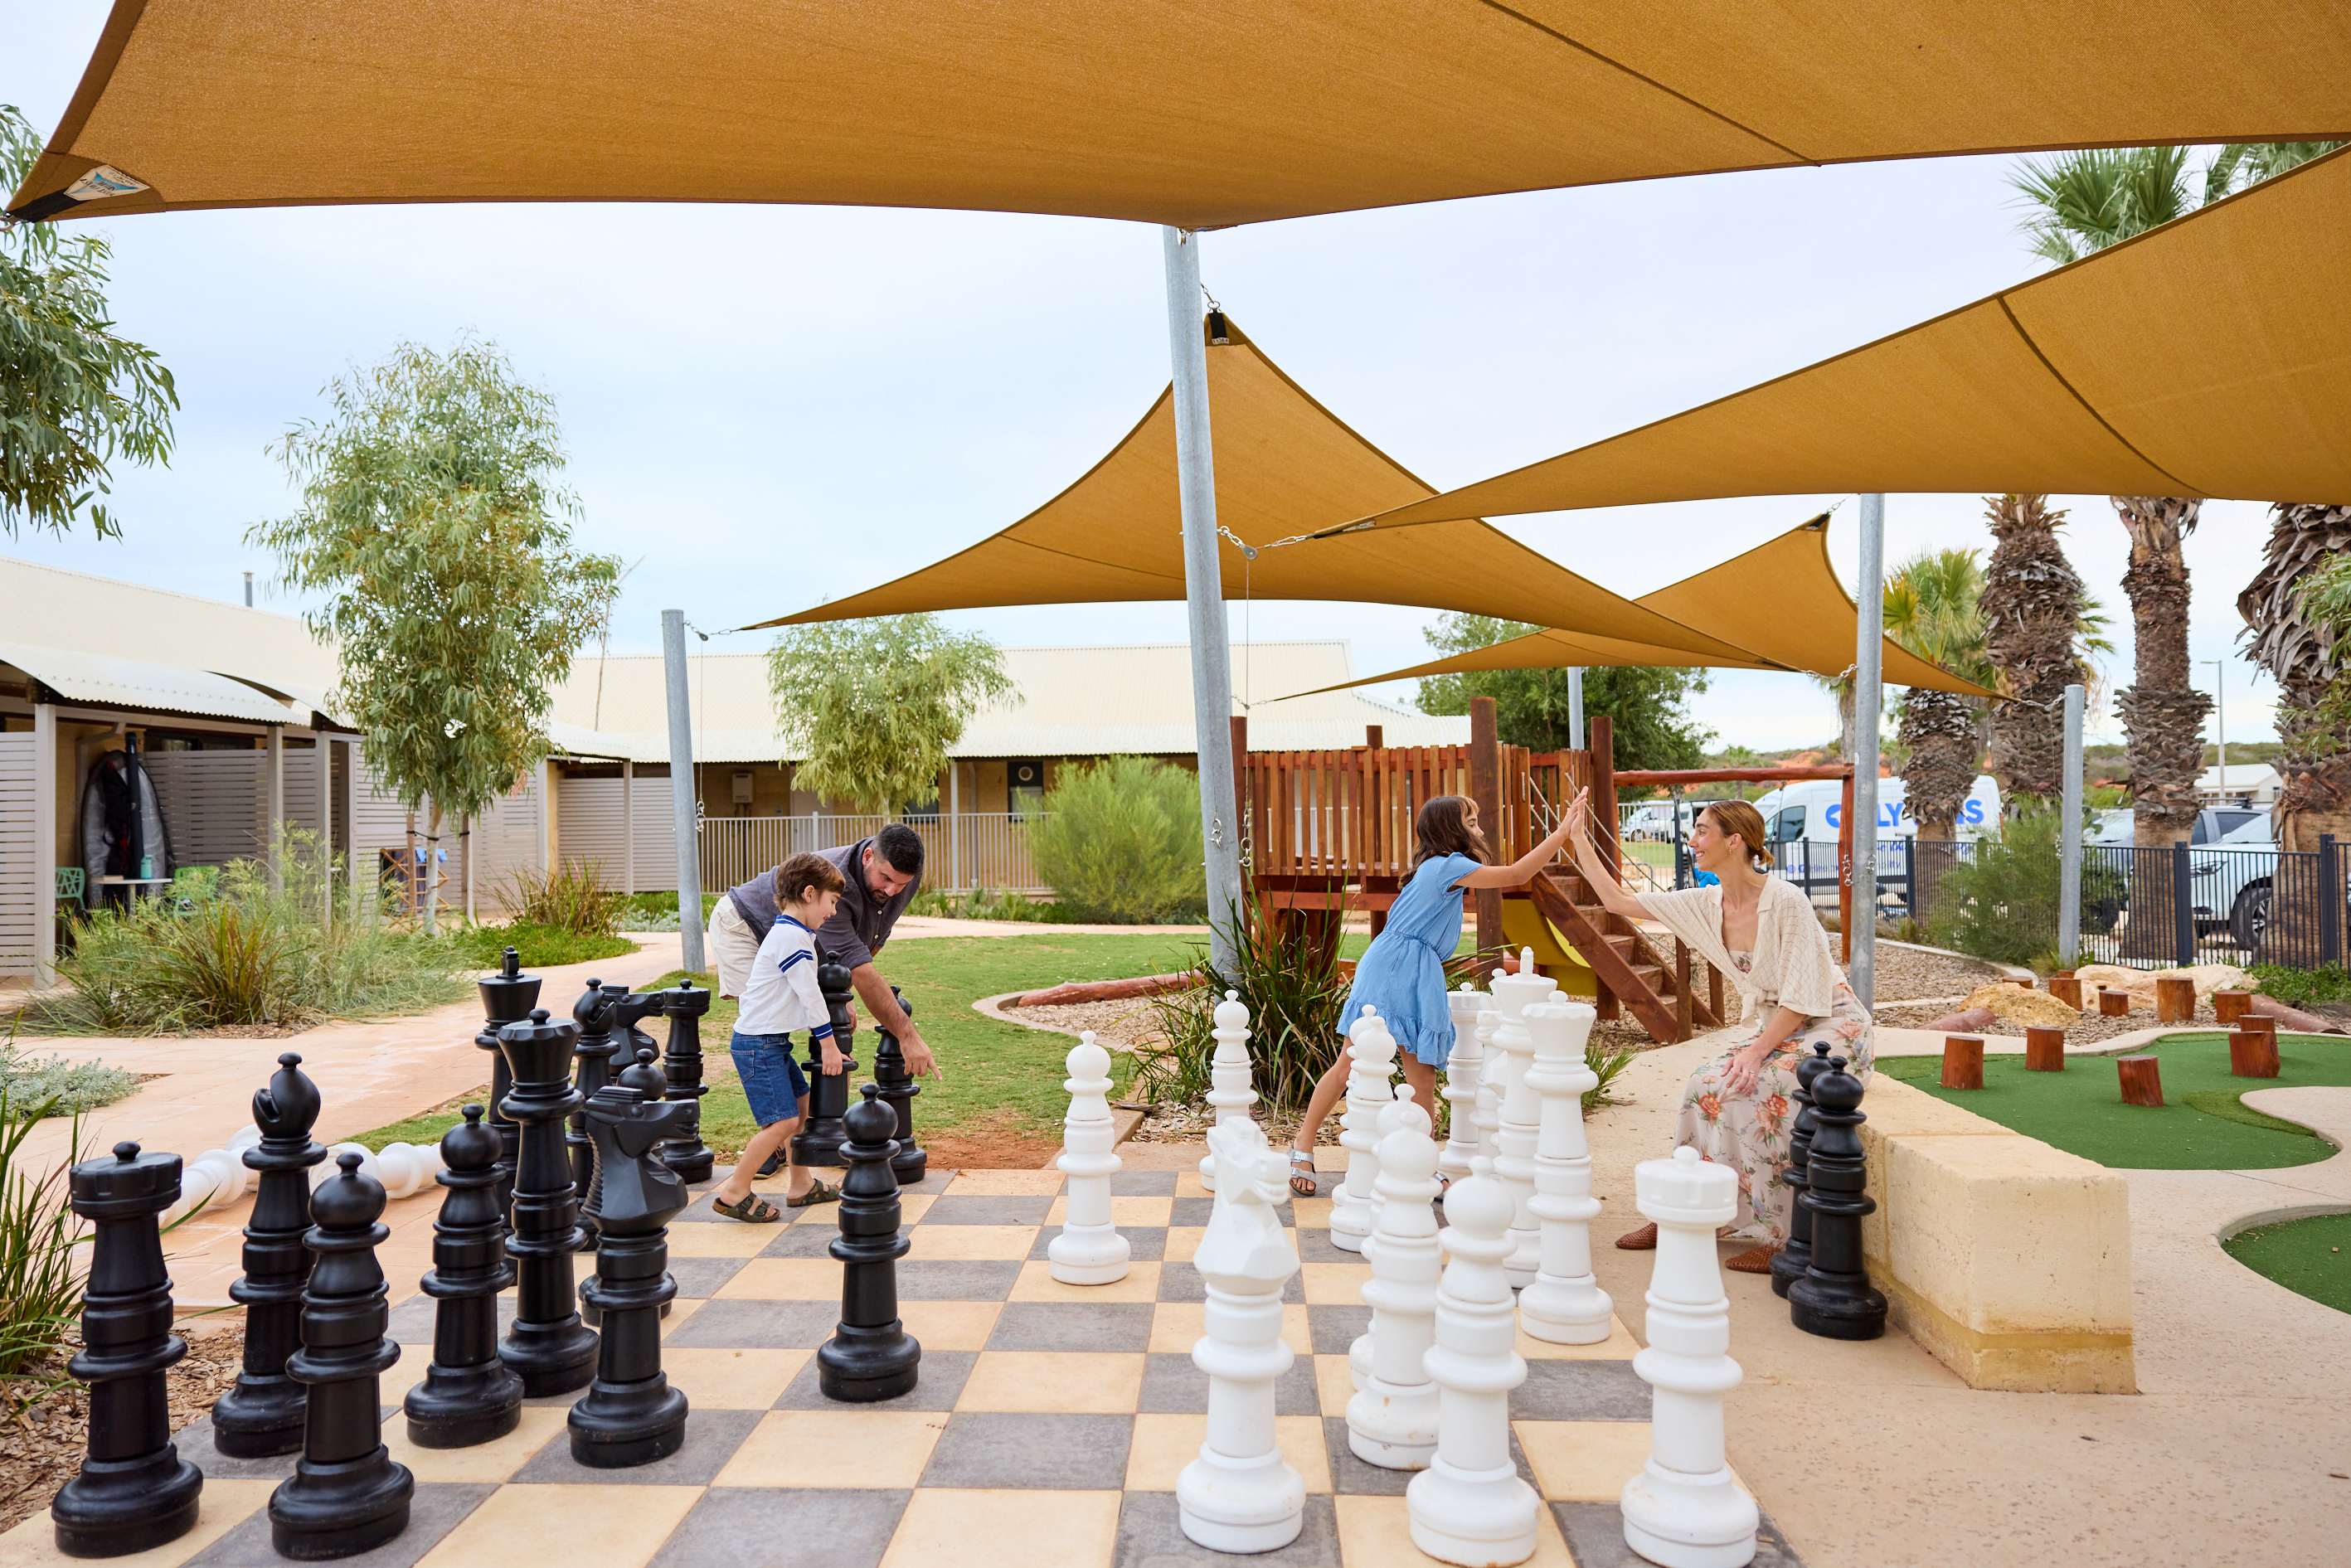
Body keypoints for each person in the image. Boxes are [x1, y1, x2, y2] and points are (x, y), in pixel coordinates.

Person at [1562, 792, 1872, 1273]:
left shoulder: (1786, 901)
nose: (1692, 841)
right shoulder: (1706, 902)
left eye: (1702, 831)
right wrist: (1578, 838)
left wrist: (1755, 1054)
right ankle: (1689, 1209)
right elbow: (1615, 900)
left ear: (1735, 841)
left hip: (1831, 1025)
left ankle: (1781, 1234)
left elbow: (1804, 996)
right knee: (1704, 1084)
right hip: (1780, 1024)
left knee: (1766, 1087)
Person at [1285, 795, 1577, 1197]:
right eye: (1472, 822)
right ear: (1451, 831)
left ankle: (1419, 1164)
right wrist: (1562, 833)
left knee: (1421, 1077)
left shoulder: (1439, 867)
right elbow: (1517, 873)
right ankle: (1302, 1144)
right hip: (1394, 967)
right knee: (1351, 1065)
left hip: (1416, 970)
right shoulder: (1448, 866)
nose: (1480, 829)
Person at [709, 823, 940, 1177]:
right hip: (745, 925)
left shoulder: (901, 877)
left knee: (790, 1034)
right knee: (764, 1032)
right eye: (885, 878)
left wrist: (840, 991)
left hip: (797, 942)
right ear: (868, 858)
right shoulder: (834, 893)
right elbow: (857, 968)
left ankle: (797, 1156)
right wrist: (907, 1036)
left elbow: (869, 942)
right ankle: (771, 1141)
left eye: (902, 884)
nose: (892, 891)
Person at [712, 852, 852, 1221]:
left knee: (800, 1108)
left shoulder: (790, 933)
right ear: (810, 893)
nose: (833, 912)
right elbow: (810, 995)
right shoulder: (792, 938)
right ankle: (734, 1190)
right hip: (758, 1047)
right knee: (783, 1122)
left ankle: (801, 1183)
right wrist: (828, 1044)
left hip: (769, 1043)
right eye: (832, 901)